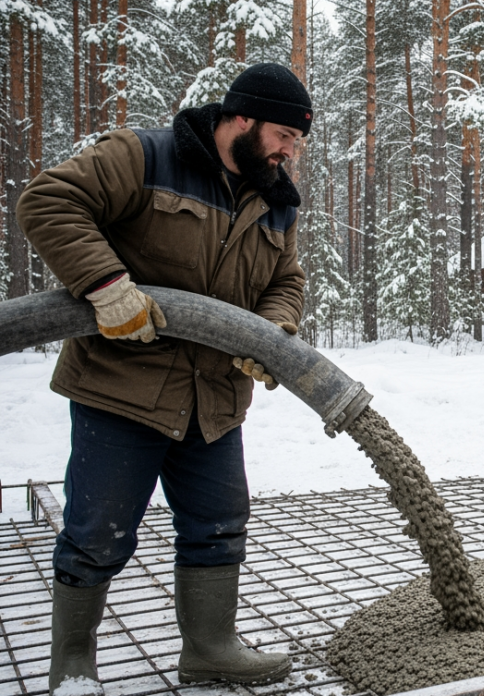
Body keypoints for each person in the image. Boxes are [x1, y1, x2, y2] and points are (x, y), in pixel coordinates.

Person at [19, 63, 312, 692]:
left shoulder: (277, 203)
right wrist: (106, 285)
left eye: (297, 140)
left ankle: (209, 648)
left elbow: (286, 282)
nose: (290, 151)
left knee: (219, 526)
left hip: (215, 400)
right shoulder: (145, 157)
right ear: (242, 118)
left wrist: (271, 331)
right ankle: (73, 665)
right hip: (122, 389)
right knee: (97, 533)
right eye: (284, 135)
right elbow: (48, 201)